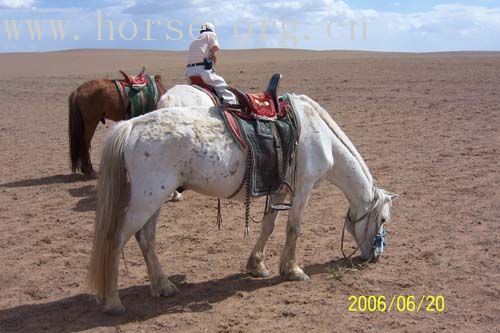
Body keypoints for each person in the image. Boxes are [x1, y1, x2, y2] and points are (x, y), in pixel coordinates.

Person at [185, 22, 237, 105]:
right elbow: (214, 48)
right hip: (202, 70)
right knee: (221, 84)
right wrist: (213, 56)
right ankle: (231, 104)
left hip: (189, 72)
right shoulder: (210, 34)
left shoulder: (195, 40)